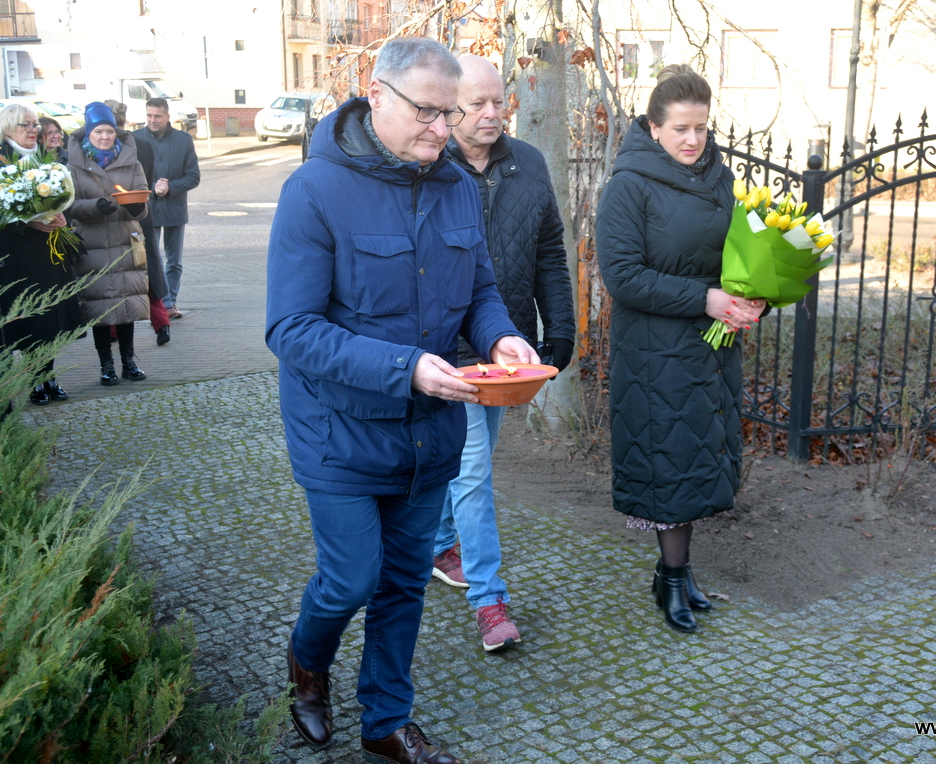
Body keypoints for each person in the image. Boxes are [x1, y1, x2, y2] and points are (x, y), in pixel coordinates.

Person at [265, 37, 536, 764]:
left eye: (450, 113)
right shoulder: (314, 190)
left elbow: (479, 292)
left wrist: (502, 337)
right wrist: (406, 367)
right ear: (376, 92)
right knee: (351, 576)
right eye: (428, 111)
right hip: (339, 432)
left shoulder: (454, 185)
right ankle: (307, 660)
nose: (444, 129)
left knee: (404, 582)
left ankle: (386, 720)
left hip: (429, 431)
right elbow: (290, 329)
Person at [595, 65, 764, 634]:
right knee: (670, 461)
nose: (694, 140)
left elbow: (740, 253)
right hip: (654, 355)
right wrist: (707, 298)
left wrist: (753, 295)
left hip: (711, 349)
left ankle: (679, 570)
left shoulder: (720, 177)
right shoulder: (628, 186)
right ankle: (670, 577)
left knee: (697, 458)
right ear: (653, 127)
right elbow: (622, 277)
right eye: (681, 129)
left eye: (702, 128)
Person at [429, 54, 575, 652]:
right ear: (448, 105)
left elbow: (549, 254)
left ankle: (440, 545)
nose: (492, 114)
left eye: (499, 101)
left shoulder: (529, 164)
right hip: (442, 348)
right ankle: (490, 601)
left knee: (469, 458)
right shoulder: (430, 167)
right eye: (477, 104)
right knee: (472, 472)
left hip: (502, 347)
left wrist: (559, 329)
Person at [0, 103, 80, 405]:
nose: (33, 130)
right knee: (30, 320)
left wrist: (60, 216)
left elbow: (57, 197)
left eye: (35, 124)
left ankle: (48, 375)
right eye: (27, 124)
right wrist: (31, 224)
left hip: (48, 253)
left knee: (50, 320)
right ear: (8, 127)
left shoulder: (42, 161)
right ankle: (35, 380)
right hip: (18, 256)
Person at [65, 101, 151, 385]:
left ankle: (129, 361)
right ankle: (106, 365)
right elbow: (70, 205)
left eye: (109, 131)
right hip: (92, 244)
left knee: (127, 305)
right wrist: (96, 207)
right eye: (99, 131)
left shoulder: (131, 159)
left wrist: (138, 208)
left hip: (125, 239)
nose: (105, 137)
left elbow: (140, 196)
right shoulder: (74, 164)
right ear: (88, 133)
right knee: (98, 307)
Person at [107, 99, 171, 345]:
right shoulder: (143, 145)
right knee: (146, 269)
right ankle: (161, 322)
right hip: (141, 214)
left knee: (117, 274)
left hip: (115, 218)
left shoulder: (102, 148)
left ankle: (113, 329)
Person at [134, 97, 199, 320]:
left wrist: (170, 187)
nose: (153, 120)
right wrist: (152, 188)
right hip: (146, 210)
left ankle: (170, 302)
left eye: (157, 116)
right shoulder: (135, 139)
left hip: (174, 209)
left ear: (168, 117)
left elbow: (193, 176)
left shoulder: (183, 140)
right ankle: (158, 304)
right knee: (152, 259)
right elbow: (129, 176)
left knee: (174, 261)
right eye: (149, 115)